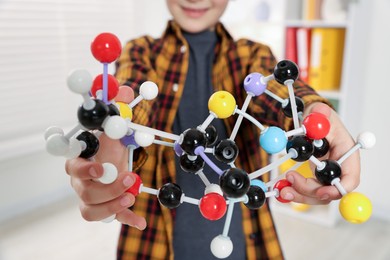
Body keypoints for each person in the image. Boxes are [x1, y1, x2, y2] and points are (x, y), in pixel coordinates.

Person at [65, 0, 360, 259]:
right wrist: (112, 136)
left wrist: (313, 112)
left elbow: (278, 93)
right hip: (154, 241)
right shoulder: (141, 51)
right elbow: (131, 102)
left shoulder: (251, 55)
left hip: (243, 241)